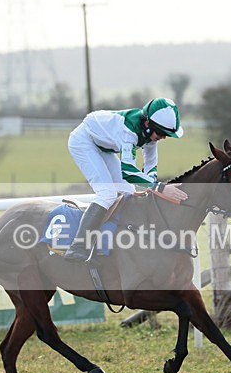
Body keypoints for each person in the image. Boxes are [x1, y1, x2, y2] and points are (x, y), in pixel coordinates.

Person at [64, 97, 188, 262]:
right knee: (107, 193)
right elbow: (128, 172)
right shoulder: (128, 131)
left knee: (128, 191)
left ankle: (116, 240)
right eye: (161, 133)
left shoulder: (150, 133)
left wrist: (153, 186)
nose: (163, 137)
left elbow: (150, 165)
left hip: (104, 146)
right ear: (147, 124)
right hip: (83, 141)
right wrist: (160, 188)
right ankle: (78, 246)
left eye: (167, 135)